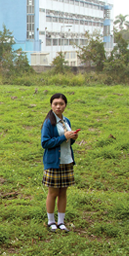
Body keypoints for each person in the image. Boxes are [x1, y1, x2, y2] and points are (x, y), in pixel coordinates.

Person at [41, 93, 78, 232]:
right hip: (54, 162)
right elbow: (45, 143)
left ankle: (61, 222)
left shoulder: (66, 120)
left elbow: (68, 142)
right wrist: (63, 137)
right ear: (51, 105)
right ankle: (51, 221)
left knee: (63, 192)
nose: (58, 106)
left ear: (65, 105)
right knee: (53, 192)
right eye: (55, 104)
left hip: (67, 161)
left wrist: (72, 137)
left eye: (61, 104)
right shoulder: (49, 123)